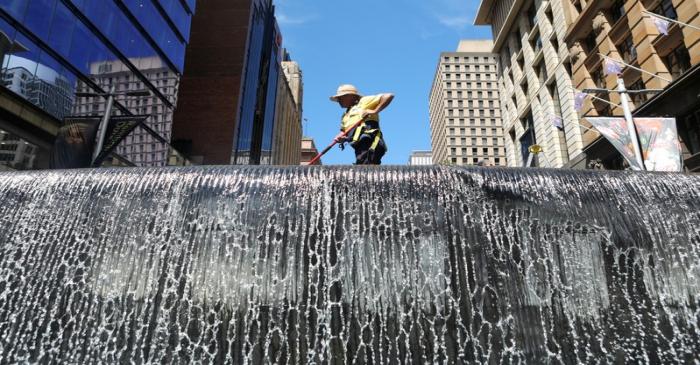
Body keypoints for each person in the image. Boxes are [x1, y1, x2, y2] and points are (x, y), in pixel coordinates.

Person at [330, 84, 394, 165]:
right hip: (359, 146)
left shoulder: (363, 102)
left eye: (340, 97)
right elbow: (344, 131)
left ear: (350, 96)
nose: (338, 100)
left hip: (370, 141)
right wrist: (340, 137)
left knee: (365, 166)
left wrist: (375, 111)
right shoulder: (345, 115)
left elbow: (388, 96)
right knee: (361, 163)